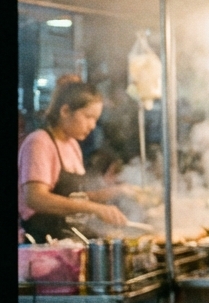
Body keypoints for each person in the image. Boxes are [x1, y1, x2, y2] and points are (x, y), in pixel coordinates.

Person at [19, 79, 128, 240]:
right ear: (65, 111)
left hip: (72, 239)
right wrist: (94, 208)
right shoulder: (39, 142)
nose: (92, 126)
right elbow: (35, 198)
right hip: (44, 244)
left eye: (95, 120)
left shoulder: (72, 144)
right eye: (88, 117)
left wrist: (111, 194)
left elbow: (75, 197)